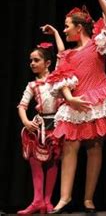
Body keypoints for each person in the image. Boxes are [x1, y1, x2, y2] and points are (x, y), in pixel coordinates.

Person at [46, 0, 106, 213]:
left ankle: (88, 199)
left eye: (67, 26)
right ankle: (64, 198)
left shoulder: (97, 43)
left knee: (95, 147)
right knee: (70, 148)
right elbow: (60, 77)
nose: (65, 30)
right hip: (76, 102)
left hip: (97, 99)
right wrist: (70, 97)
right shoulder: (67, 55)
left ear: (79, 27)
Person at [17, 35, 64, 214]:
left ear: (48, 63)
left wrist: (55, 33)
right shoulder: (32, 85)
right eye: (31, 60)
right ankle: (37, 200)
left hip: (58, 123)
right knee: (35, 160)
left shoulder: (57, 79)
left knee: (53, 161)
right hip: (40, 126)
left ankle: (47, 201)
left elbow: (61, 54)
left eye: (36, 60)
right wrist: (26, 122)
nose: (32, 63)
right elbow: (22, 106)